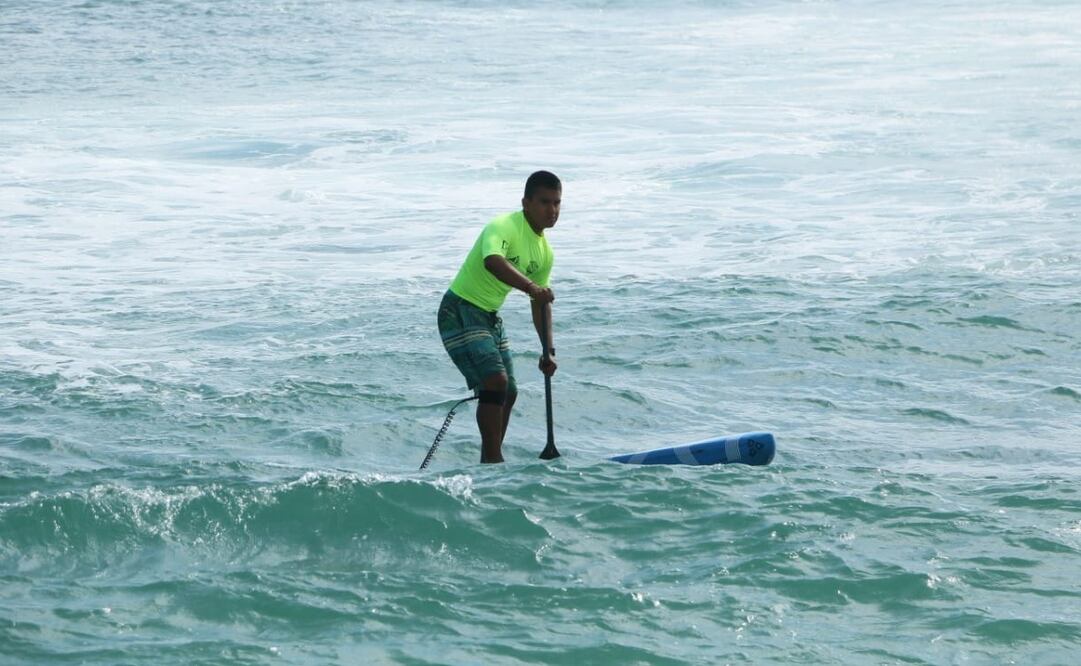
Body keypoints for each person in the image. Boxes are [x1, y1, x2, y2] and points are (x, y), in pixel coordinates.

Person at [437, 170, 561, 463]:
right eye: (544, 202)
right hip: (459, 309)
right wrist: (532, 287)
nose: (552, 210)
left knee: (510, 390)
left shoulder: (545, 252)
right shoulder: (504, 226)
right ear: (526, 202)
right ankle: (493, 460)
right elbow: (493, 261)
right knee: (496, 380)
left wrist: (548, 350)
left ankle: (489, 459)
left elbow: (539, 303)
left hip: (488, 316)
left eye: (557, 203)